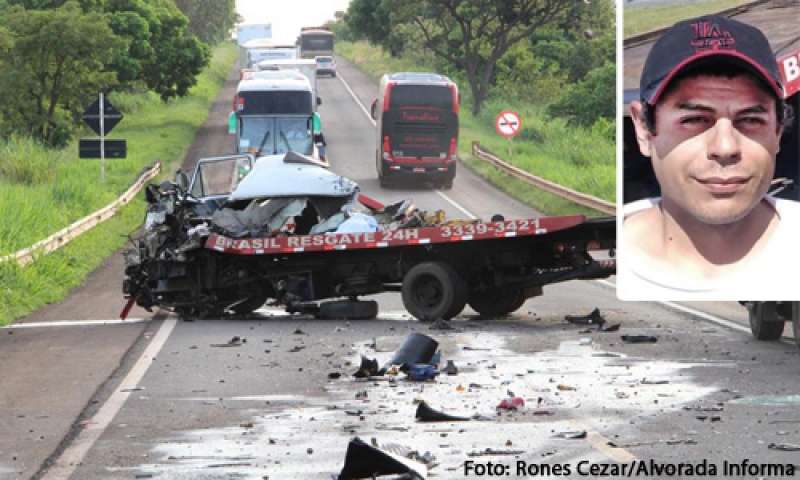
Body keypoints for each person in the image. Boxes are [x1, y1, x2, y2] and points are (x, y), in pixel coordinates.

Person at [618, 14, 800, 301]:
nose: (725, 147)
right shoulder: (610, 263)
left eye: (751, 119)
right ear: (643, 129)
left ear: (778, 130)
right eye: (695, 119)